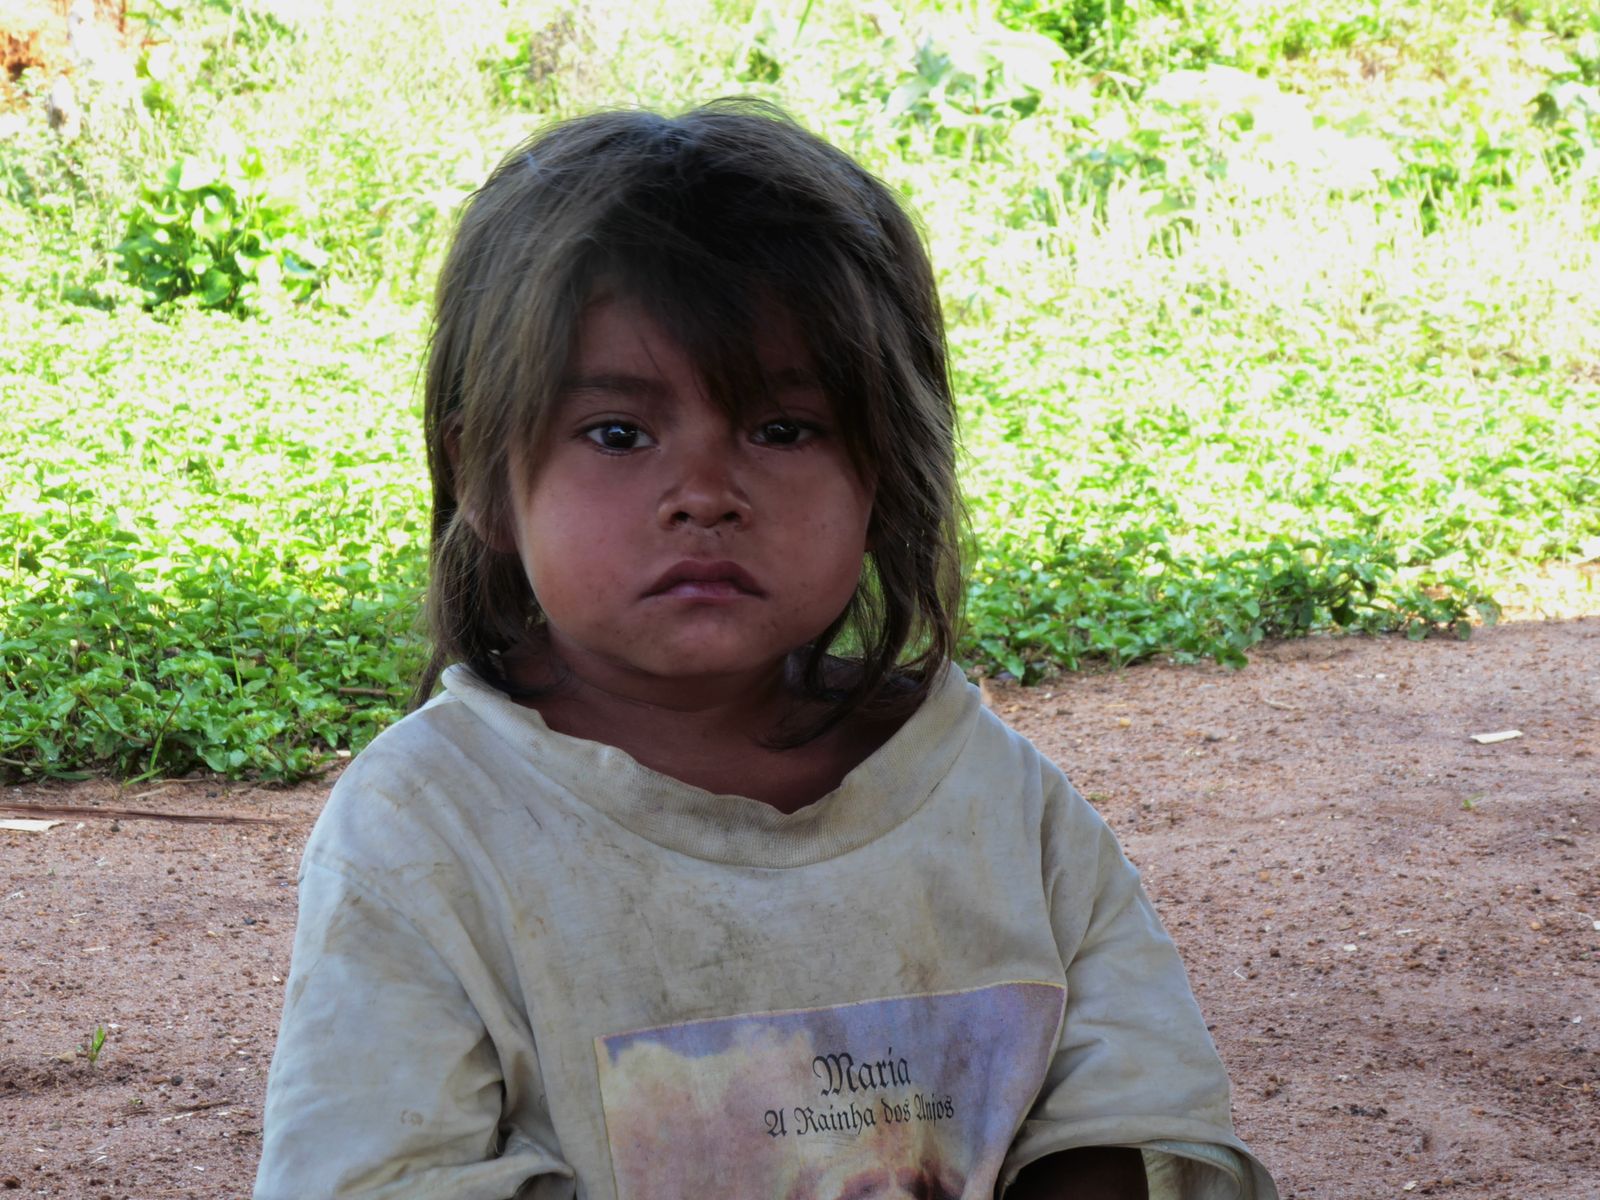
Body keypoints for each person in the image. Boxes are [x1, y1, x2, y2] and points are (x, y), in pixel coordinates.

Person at [254, 100, 1279, 1200]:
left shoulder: (994, 803)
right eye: (618, 433)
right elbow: (376, 1176)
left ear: (882, 472)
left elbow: (1130, 1118)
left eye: (782, 429)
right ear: (484, 480)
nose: (704, 494)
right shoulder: (426, 828)